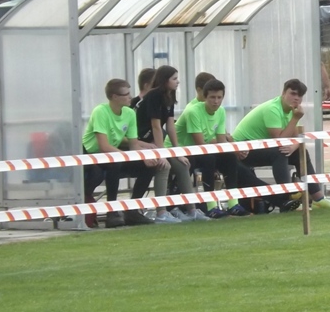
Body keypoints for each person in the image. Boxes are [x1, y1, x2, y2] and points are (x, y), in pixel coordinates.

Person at [232, 79, 330, 211]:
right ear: (283, 93)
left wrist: (294, 146)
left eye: (299, 96)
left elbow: (298, 136)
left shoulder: (291, 111)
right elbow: (279, 140)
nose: (296, 98)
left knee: (300, 152)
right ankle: (288, 196)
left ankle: (318, 198)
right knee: (280, 152)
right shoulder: (273, 109)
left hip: (259, 146)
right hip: (241, 150)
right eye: (293, 94)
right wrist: (295, 118)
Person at [82, 78, 167, 228]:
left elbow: (134, 144)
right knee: (115, 163)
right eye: (126, 94)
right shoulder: (100, 111)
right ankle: (112, 211)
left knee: (149, 165)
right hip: (90, 155)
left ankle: (132, 210)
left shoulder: (129, 113)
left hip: (113, 155)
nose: (130, 97)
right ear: (115, 97)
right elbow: (103, 147)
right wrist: (128, 155)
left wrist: (144, 157)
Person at [136, 65, 208, 222]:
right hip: (141, 142)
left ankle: (192, 210)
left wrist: (177, 151)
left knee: (183, 164)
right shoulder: (154, 96)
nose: (178, 82)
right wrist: (161, 154)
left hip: (155, 142)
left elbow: (170, 126)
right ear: (164, 80)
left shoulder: (169, 96)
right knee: (165, 166)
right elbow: (156, 126)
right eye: (174, 79)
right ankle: (161, 212)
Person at [173, 77, 249, 218]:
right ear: (204, 97)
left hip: (199, 150)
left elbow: (221, 141)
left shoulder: (221, 112)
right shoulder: (193, 111)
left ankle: (233, 204)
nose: (216, 101)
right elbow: (200, 144)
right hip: (178, 150)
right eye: (212, 97)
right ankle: (211, 206)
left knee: (229, 158)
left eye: (219, 97)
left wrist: (235, 151)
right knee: (209, 158)